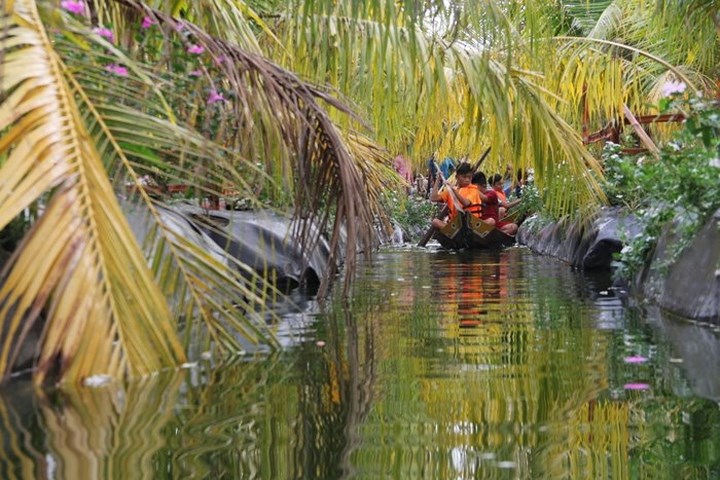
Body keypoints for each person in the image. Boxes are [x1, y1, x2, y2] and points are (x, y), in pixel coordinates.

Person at [429, 162, 479, 229]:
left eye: (469, 177)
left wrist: (453, 190)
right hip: (455, 226)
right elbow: (433, 198)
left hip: (470, 224)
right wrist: (438, 179)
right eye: (464, 177)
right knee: (435, 222)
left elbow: (466, 203)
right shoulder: (451, 191)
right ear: (456, 177)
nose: (467, 180)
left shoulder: (473, 190)